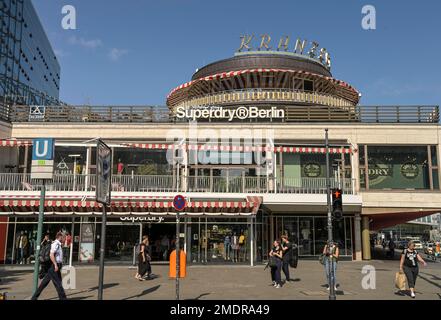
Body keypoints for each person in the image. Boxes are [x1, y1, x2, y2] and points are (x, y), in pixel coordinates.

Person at [32, 232, 67, 300]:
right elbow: (51, 255)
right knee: (58, 284)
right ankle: (63, 298)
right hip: (54, 267)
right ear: (60, 237)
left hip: (55, 266)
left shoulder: (58, 244)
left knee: (44, 284)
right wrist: (55, 264)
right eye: (63, 237)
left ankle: (34, 298)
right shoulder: (56, 244)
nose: (64, 238)